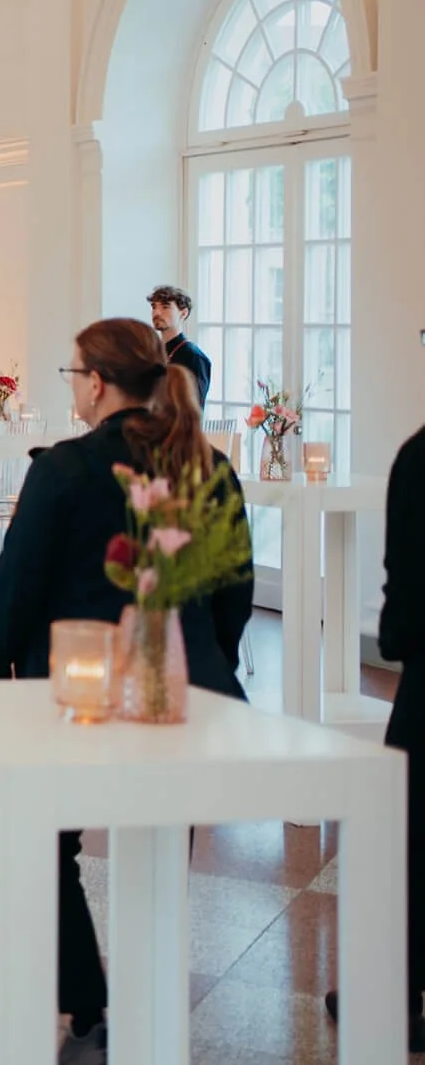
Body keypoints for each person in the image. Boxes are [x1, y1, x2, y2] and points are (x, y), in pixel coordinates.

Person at [0, 317, 254, 1065]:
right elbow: (235, 590)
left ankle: (89, 1004)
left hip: (75, 692)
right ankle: (148, 999)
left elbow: (13, 589)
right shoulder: (208, 464)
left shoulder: (64, 468)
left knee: (46, 844)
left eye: (72, 374)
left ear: (95, 383)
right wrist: (206, 670)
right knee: (161, 850)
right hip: (180, 698)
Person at [326, 414, 425, 1048]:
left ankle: (396, 995)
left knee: (408, 841)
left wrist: (392, 639)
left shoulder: (419, 457)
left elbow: (407, 588)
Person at [147, 285, 212, 408]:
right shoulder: (153, 353)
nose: (157, 313)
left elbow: (193, 407)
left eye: (165, 307)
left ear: (183, 313)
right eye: (154, 307)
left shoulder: (193, 357)